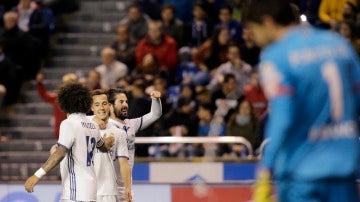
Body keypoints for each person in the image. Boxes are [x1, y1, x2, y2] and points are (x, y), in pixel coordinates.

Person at [244, 0, 360, 201]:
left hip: (302, 172)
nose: (253, 39)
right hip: (343, 169)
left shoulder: (276, 55)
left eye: (253, 31)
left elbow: (282, 119)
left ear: (268, 22)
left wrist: (265, 170)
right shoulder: (338, 43)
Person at [24, 82, 115, 201]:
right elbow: (102, 147)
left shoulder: (69, 123)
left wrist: (37, 175)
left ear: (65, 102)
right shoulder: (93, 125)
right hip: (91, 186)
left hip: (76, 188)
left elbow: (60, 153)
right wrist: (107, 142)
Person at [107, 88, 162, 201]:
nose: (125, 105)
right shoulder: (104, 127)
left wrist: (156, 100)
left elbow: (155, 115)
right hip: (108, 188)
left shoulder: (131, 124)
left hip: (126, 186)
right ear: (110, 106)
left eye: (126, 101)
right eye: (121, 102)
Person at [90, 89, 132, 202]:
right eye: (97, 105)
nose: (101, 108)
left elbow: (124, 163)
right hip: (87, 189)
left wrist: (128, 187)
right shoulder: (84, 127)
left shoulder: (119, 133)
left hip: (108, 191)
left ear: (109, 106)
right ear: (92, 107)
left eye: (104, 104)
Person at [36, 73, 78, 138]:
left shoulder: (79, 99)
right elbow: (45, 95)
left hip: (75, 131)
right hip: (61, 131)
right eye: (66, 83)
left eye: (70, 83)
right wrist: (39, 83)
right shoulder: (57, 97)